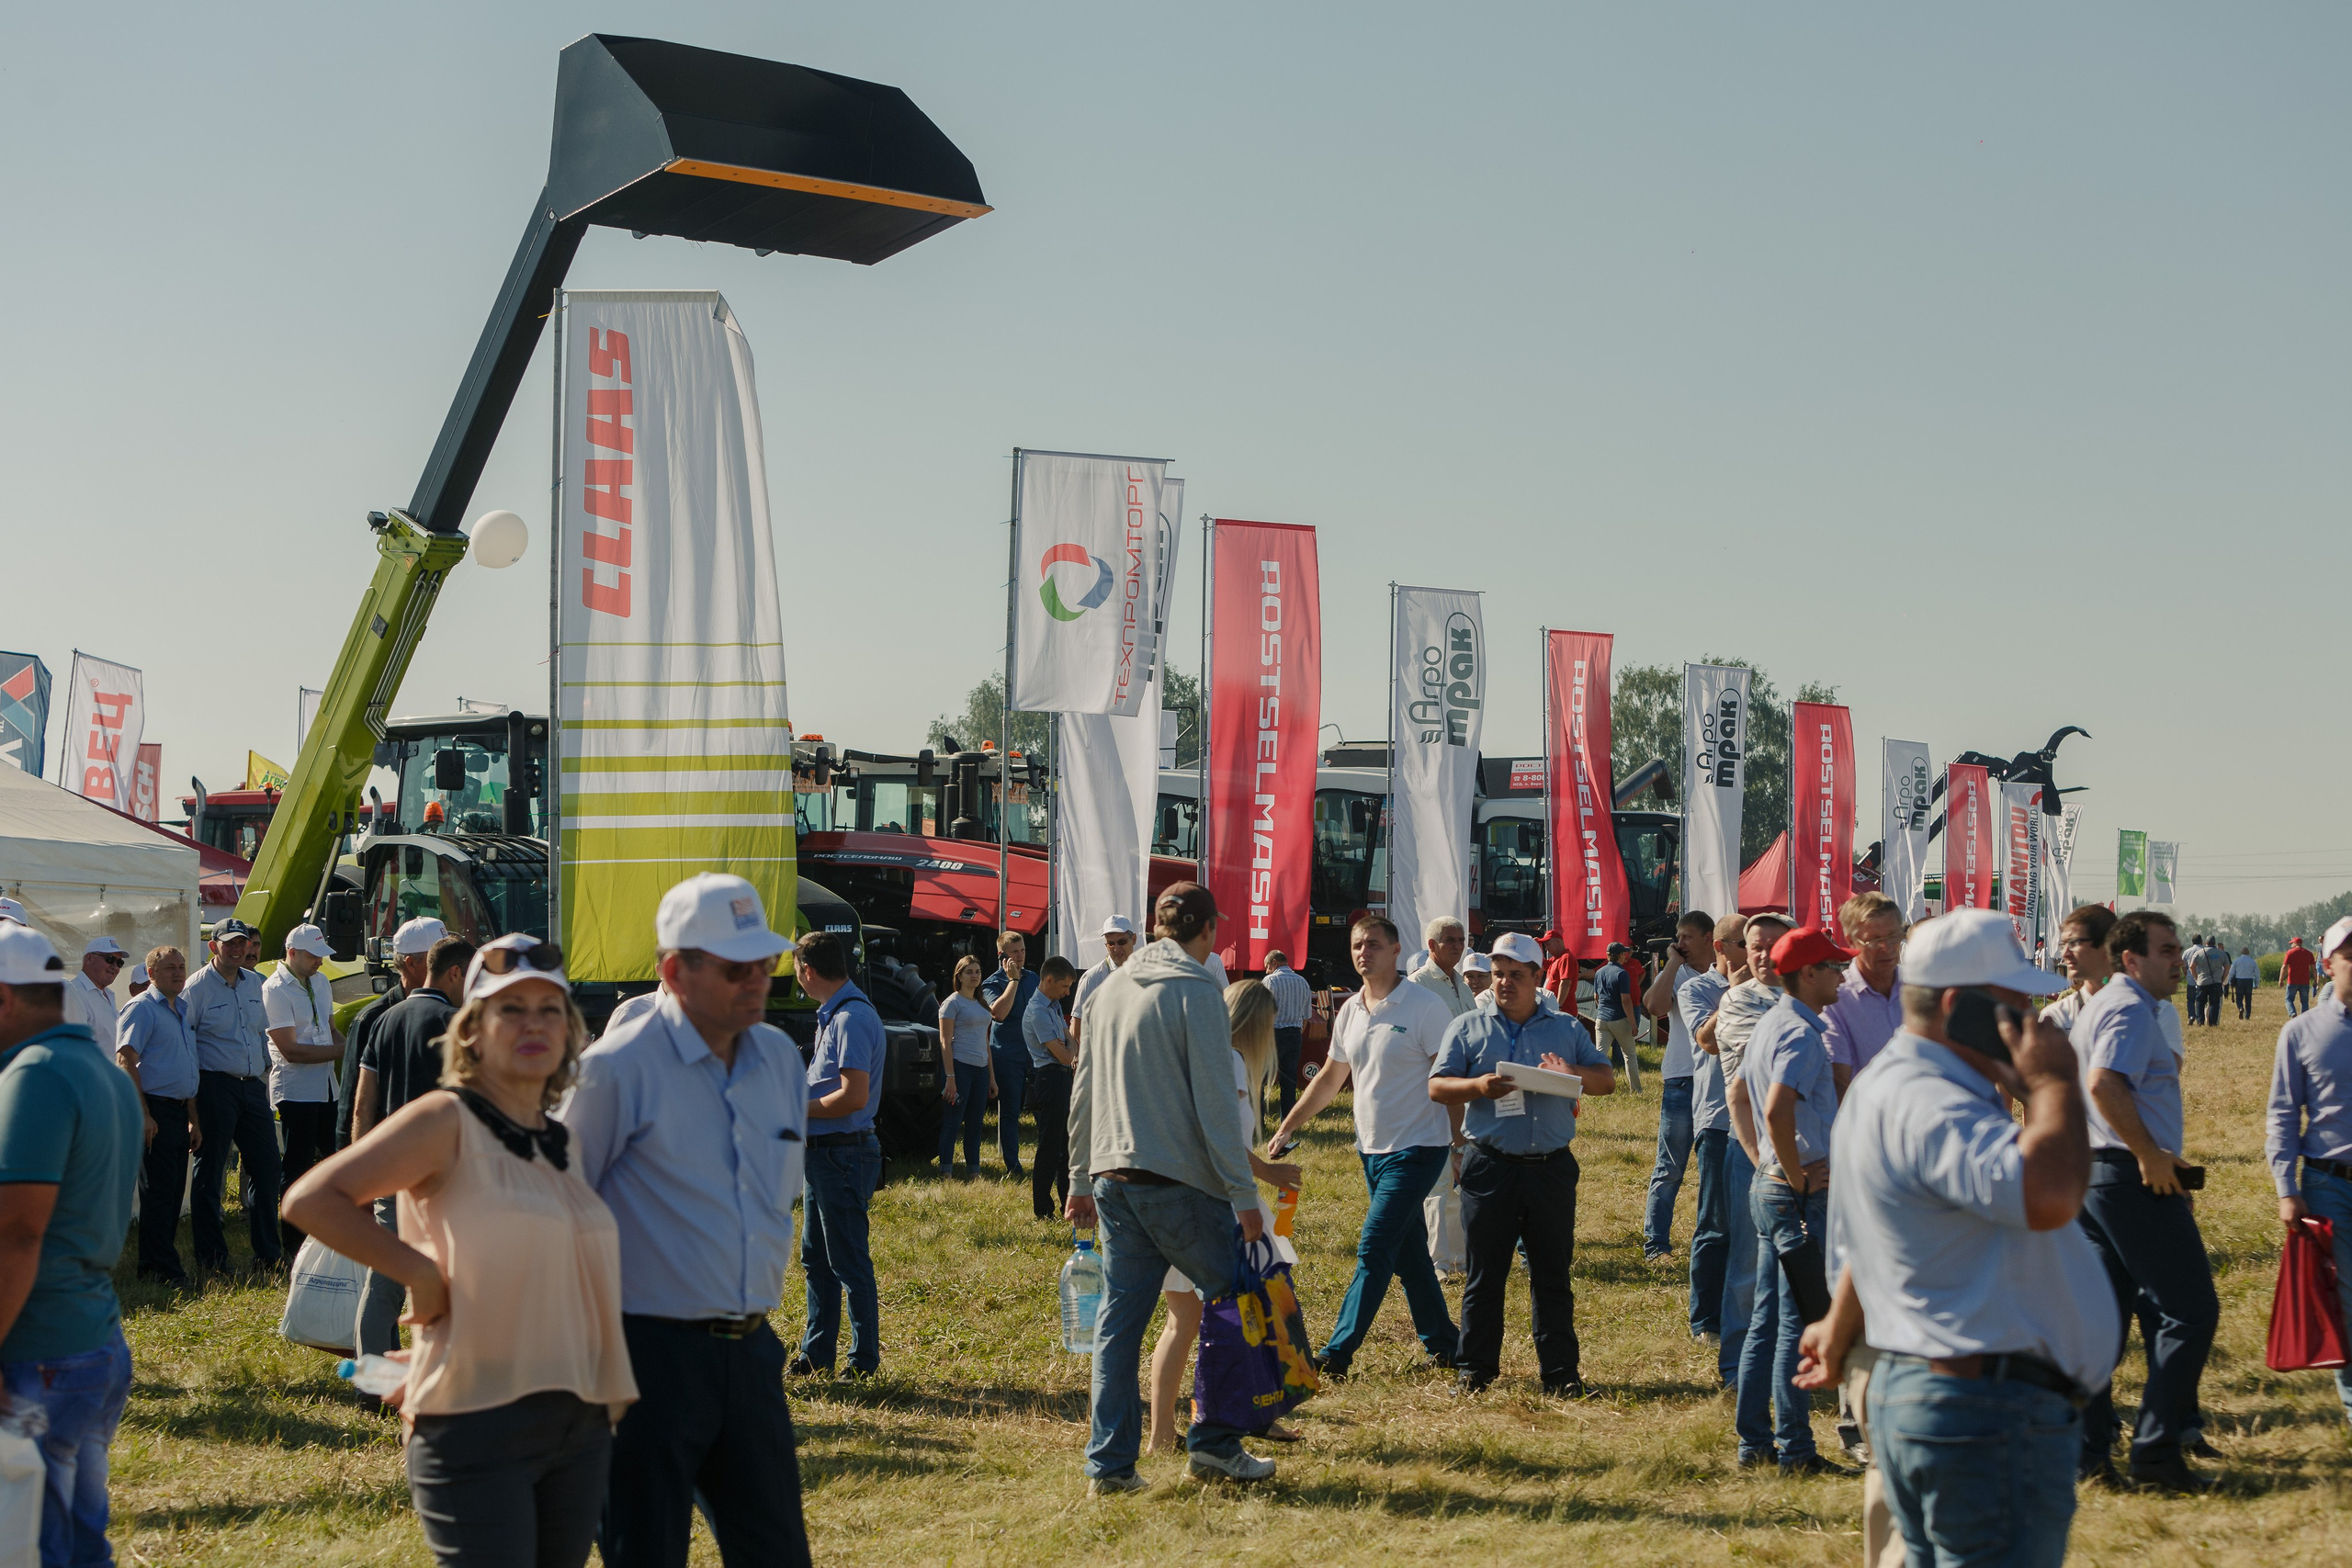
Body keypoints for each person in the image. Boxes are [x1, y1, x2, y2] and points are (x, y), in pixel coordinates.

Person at [283, 936, 637, 1568]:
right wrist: (418, 1271)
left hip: (578, 1421)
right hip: (479, 1421)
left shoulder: (560, 1139)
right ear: (471, 1029)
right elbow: (312, 1197)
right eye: (510, 1008)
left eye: (549, 1009)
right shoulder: (447, 1118)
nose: (534, 1023)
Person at [1799, 908, 2111, 1568]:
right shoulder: (1930, 1099)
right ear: (1956, 1006)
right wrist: (2054, 1083)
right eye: (2013, 999)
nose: (2030, 1016)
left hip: (1956, 1397)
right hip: (1982, 1409)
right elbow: (2048, 1193)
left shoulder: (1902, 1085)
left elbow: (1881, 1237)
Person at [560, 874, 812, 1566]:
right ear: (676, 970)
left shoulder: (781, 1060)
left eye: (766, 962)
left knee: (779, 1553)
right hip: (643, 1358)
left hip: (753, 1352)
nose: (759, 979)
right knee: (646, 1552)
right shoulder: (615, 1070)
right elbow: (554, 1211)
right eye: (737, 968)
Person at [1067, 883, 1277, 1491]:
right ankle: (1214, 1444)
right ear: (1207, 930)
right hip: (1179, 1180)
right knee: (1237, 1298)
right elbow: (1216, 1103)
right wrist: (1243, 1194)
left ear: (1157, 928)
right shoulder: (1197, 989)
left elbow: (1082, 1091)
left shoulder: (1106, 992)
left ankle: (1108, 1466)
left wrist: (1080, 1176)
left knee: (1118, 1324)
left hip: (1113, 1179)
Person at [0, 924, 145, 1565]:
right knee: (83, 1539)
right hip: (93, 1338)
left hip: (40, 1351)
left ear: (3, 999)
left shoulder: (38, 1073)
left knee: (36, 1544)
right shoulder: (102, 1070)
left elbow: (19, 1231)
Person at [1266, 916, 1463, 1380]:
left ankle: (1336, 1355)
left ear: (1396, 950)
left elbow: (1448, 1079)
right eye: (1357, 945)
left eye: (1373, 944)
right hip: (1371, 1151)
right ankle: (1447, 1345)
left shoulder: (1423, 1006)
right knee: (1410, 1253)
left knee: (1374, 1248)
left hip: (1419, 1148)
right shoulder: (1351, 1009)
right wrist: (1288, 1126)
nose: (1362, 952)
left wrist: (1458, 1146)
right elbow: (1332, 1078)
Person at [1430, 931, 1615, 1397]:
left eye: (1516, 975)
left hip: (1550, 1168)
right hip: (1490, 1165)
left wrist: (1570, 1074)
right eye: (1498, 975)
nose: (1505, 983)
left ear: (1537, 977)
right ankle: (1475, 1370)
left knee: (1552, 1272)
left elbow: (1606, 1080)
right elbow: (1437, 1086)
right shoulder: (1469, 1027)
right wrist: (1478, 1088)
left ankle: (1560, 1374)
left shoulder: (1567, 1029)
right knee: (1484, 1273)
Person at [2070, 908, 2217, 1493]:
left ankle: (2088, 1454)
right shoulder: (2129, 1008)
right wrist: (2150, 1156)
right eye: (2166, 951)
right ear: (2129, 959)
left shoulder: (2110, 1005)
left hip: (2099, 1178)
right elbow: (2104, 1083)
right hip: (2129, 1180)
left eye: (2178, 950)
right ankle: (2155, 1453)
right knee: (2189, 1310)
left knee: (2101, 1325)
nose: (2178, 961)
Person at [1146, 980, 1302, 1455]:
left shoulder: (1197, 1055)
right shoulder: (1230, 1061)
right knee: (1247, 1313)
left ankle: (1166, 1434)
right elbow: (1224, 1141)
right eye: (1270, 1023)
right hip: (1221, 1207)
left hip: (1181, 1202)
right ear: (1255, 1022)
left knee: (1186, 1321)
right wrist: (1271, 1173)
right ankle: (1228, 1420)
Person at [1734, 926, 1853, 1477]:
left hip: (1773, 1187)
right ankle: (1796, 1452)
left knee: (1766, 1321)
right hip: (1795, 1194)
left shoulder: (1774, 1022)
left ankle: (1754, 1443)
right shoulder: (1803, 1034)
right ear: (1808, 973)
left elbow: (1739, 1092)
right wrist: (1797, 1173)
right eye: (1834, 965)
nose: (1842, 973)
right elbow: (1780, 1107)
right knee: (1791, 1325)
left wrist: (1767, 1162)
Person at [352, 936, 474, 1359]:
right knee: (452, 1279)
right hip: (446, 1175)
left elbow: (362, 1106)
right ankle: (445, 1374)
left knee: (383, 1283)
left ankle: (370, 1381)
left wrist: (361, 1174)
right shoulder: (457, 1023)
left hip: (389, 1172)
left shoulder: (385, 1020)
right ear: (455, 973)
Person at [2267, 916, 2352, 1427]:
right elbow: (2282, 1112)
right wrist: (2286, 1187)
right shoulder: (2300, 1033)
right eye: (2351, 955)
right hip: (2328, 1183)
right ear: (2328, 963)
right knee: (2347, 1297)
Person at [1699, 913, 1790, 1390]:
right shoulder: (1738, 1000)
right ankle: (1738, 1370)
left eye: (1773, 945)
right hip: (1752, 1151)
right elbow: (1779, 1059)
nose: (1762, 954)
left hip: (1808, 1150)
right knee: (1748, 1265)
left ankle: (1787, 1365)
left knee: (1800, 1261)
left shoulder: (1812, 997)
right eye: (1754, 946)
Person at [795, 930, 885, 1379]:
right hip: (827, 1153)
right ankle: (816, 1354)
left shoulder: (849, 1019)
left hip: (842, 1153)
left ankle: (862, 1361)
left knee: (847, 1259)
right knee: (817, 1257)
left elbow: (852, 1097)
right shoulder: (835, 1014)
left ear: (808, 971)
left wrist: (792, 1108)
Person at [182, 918, 283, 1277]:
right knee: (210, 1173)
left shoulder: (255, 983)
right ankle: (212, 1261)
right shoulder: (195, 988)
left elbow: (259, 1033)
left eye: (242, 943)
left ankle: (269, 1256)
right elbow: (186, 1044)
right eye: (230, 944)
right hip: (214, 1086)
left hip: (252, 1084)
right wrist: (193, 1103)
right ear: (213, 947)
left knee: (267, 1167)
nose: (238, 949)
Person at [1684, 914, 1748, 1382]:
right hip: (1718, 1121)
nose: (1759, 953)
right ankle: (1705, 1318)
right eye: (1748, 944)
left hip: (1762, 1123)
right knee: (1716, 1222)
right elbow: (1707, 1042)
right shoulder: (1698, 989)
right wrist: (1742, 986)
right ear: (1724, 947)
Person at [115, 944, 202, 1283]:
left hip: (179, 1110)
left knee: (171, 1190)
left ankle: (154, 1265)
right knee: (159, 1193)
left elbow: (187, 1067)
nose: (178, 972)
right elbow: (125, 1061)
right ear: (151, 973)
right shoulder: (142, 1008)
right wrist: (144, 1114)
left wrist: (193, 1116)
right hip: (156, 1109)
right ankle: (162, 1268)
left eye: (181, 966)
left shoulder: (180, 1008)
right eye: (169, 968)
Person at [264, 923, 343, 1254]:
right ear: (292, 953)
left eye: (322, 956)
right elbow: (290, 1050)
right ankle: (293, 1247)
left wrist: (348, 1051)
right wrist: (347, 1051)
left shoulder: (321, 981)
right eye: (314, 956)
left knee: (339, 1159)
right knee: (296, 1166)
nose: (320, 963)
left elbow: (331, 1028)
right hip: (296, 1090)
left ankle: (336, 1236)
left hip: (327, 1087)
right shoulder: (274, 988)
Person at [1641, 913, 1713, 1264]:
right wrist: (1670, 964)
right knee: (1669, 1167)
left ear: (1708, 938)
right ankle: (1656, 1244)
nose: (1680, 943)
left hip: (1717, 1080)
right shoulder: (1678, 973)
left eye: (1686, 937)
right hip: (1682, 1079)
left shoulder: (1726, 975)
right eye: (1678, 937)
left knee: (1713, 1168)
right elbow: (1654, 1008)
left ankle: (1711, 1241)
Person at [340, 917, 445, 1149]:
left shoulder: (449, 1013)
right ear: (411, 963)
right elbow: (352, 1103)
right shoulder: (371, 1018)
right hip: (386, 1157)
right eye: (437, 958)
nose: (448, 966)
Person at [1823, 891, 1903, 1093]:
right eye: (1874, 940)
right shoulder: (1835, 1000)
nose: (1887, 947)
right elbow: (1840, 1082)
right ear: (1851, 941)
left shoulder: (1921, 987)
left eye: (1893, 936)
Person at [979, 931, 1040, 1180]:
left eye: (1023, 950)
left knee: (1042, 1111)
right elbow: (999, 1014)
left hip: (1034, 1054)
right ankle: (1013, 1167)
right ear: (1002, 956)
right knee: (1011, 1112)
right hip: (1007, 1056)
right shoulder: (991, 984)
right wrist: (1013, 981)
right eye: (1015, 952)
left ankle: (1054, 1161)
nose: (1021, 956)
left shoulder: (1034, 978)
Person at [1024, 955, 1080, 1221]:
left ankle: (1067, 1202)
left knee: (1066, 1147)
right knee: (1050, 1146)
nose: (1067, 992)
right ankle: (1042, 1209)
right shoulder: (1038, 1011)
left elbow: (1072, 1042)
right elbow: (1067, 1054)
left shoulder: (1054, 1005)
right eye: (1065, 986)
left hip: (1062, 1078)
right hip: (1049, 1078)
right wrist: (1069, 1046)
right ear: (1048, 980)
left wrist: (1068, 1046)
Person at [936, 955, 996, 1181]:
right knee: (953, 1122)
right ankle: (946, 1171)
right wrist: (950, 1077)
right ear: (959, 976)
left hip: (980, 1069)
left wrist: (991, 1077)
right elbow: (945, 1041)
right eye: (969, 971)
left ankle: (974, 1171)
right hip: (959, 1067)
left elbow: (985, 1041)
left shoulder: (981, 1004)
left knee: (975, 1123)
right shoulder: (952, 1003)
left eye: (978, 972)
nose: (974, 976)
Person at [1069, 917, 1140, 1055]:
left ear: (1134, 939)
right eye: (1110, 944)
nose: (1116, 948)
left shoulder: (1144, 972)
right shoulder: (1092, 978)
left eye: (1122, 942)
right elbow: (1077, 1027)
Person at [2042, 905, 2117, 1034]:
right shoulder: (2057, 1016)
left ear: (2106, 945)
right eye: (2063, 945)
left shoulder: (2151, 1012)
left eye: (2074, 943)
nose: (2065, 953)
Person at [1261, 949, 1314, 1115]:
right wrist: (1298, 1031)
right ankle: (1288, 1123)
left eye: (1267, 967)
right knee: (1289, 1082)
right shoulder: (1303, 982)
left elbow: (1264, 1013)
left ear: (1274, 963)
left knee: (1260, 1080)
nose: (1266, 970)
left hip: (1273, 1034)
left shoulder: (1270, 980)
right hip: (1295, 1034)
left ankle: (1259, 1122)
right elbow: (1306, 1016)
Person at [1590, 943, 1642, 1093]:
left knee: (1600, 1056)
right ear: (1620, 955)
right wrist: (1633, 1023)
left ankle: (1594, 1088)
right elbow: (1625, 1000)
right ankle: (1636, 1090)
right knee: (1630, 1055)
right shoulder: (1622, 973)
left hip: (1601, 1019)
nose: (1626, 955)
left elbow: (1596, 997)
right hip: (1619, 1019)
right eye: (1624, 953)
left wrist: (1603, 1010)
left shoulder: (1599, 972)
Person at [1406, 918, 1475, 1021]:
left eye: (1461, 940)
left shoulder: (1464, 986)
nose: (1458, 946)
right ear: (1432, 945)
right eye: (1450, 940)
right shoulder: (1416, 984)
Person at [63, 936, 126, 1043]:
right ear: (89, 958)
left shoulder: (108, 994)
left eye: (120, 963)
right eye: (110, 959)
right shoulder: (73, 993)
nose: (115, 966)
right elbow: (74, 1044)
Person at [2283, 936, 2317, 1017]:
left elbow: (2284, 967)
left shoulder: (2290, 953)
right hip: (2305, 982)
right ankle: (2304, 1018)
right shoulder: (2309, 953)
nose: (2291, 945)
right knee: (2304, 1002)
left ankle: (2292, 1013)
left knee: (2289, 999)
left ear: (2295, 943)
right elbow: (2313, 968)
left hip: (2292, 981)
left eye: (2292, 943)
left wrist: (2281, 980)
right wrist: (2316, 980)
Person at [2232, 946, 2259, 1019]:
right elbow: (2257, 974)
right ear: (2248, 953)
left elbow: (2232, 972)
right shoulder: (2252, 961)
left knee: (2239, 998)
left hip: (2239, 981)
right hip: (2249, 981)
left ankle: (2240, 1007)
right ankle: (2247, 1016)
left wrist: (2230, 982)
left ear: (2241, 953)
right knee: (2248, 999)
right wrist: (2256, 984)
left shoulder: (2236, 961)